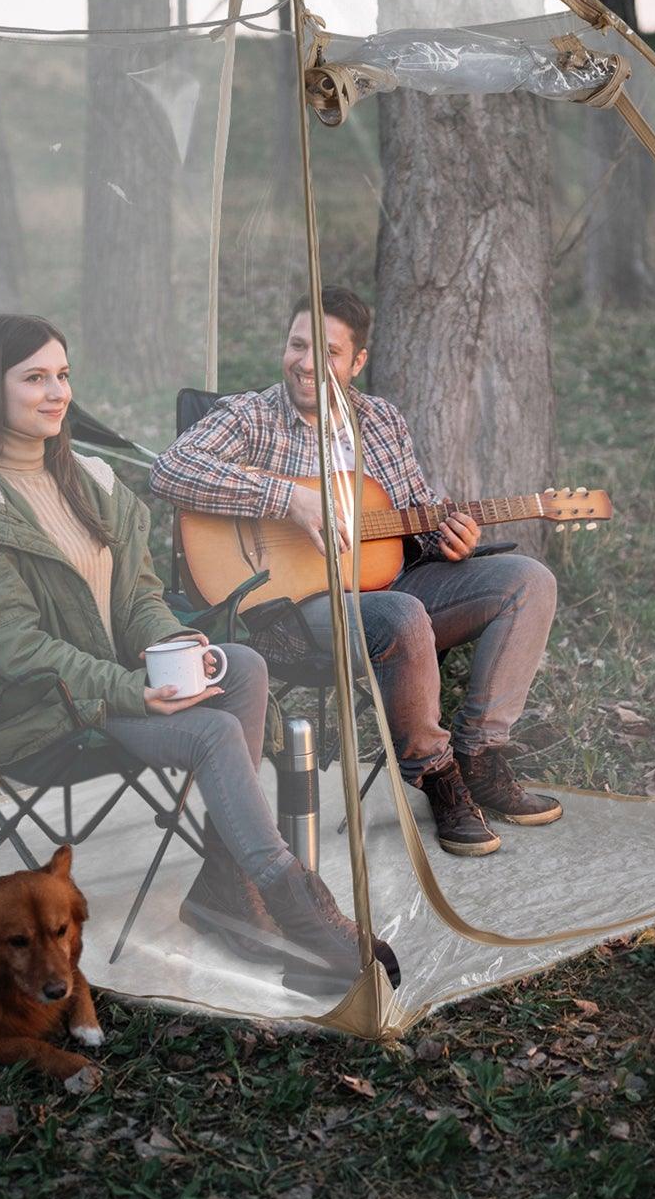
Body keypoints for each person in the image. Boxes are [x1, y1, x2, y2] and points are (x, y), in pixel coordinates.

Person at [0, 313, 398, 990]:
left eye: (62, 375)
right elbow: (18, 648)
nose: (57, 392)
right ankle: (303, 910)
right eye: (34, 378)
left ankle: (226, 886)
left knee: (243, 665)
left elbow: (139, 598)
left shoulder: (88, 482)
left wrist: (174, 648)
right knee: (208, 731)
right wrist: (133, 690)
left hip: (114, 682)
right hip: (38, 706)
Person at [150, 286, 560, 858]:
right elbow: (171, 469)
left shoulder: (381, 420)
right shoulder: (249, 417)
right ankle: (436, 775)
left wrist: (452, 540)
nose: (307, 363)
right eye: (297, 344)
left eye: (328, 352)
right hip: (289, 609)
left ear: (357, 361)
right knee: (401, 612)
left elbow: (415, 518)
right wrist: (286, 500)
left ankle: (480, 755)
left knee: (528, 580)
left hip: (386, 585)